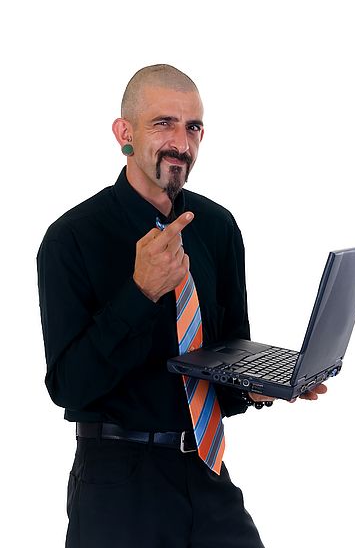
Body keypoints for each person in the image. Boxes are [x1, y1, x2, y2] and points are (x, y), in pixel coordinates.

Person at [37, 64, 327, 548]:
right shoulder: (71, 238)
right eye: (163, 123)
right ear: (124, 134)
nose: (182, 142)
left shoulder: (217, 227)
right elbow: (68, 386)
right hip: (117, 484)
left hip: (207, 470)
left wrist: (260, 386)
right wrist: (140, 292)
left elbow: (221, 360)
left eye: (193, 127)